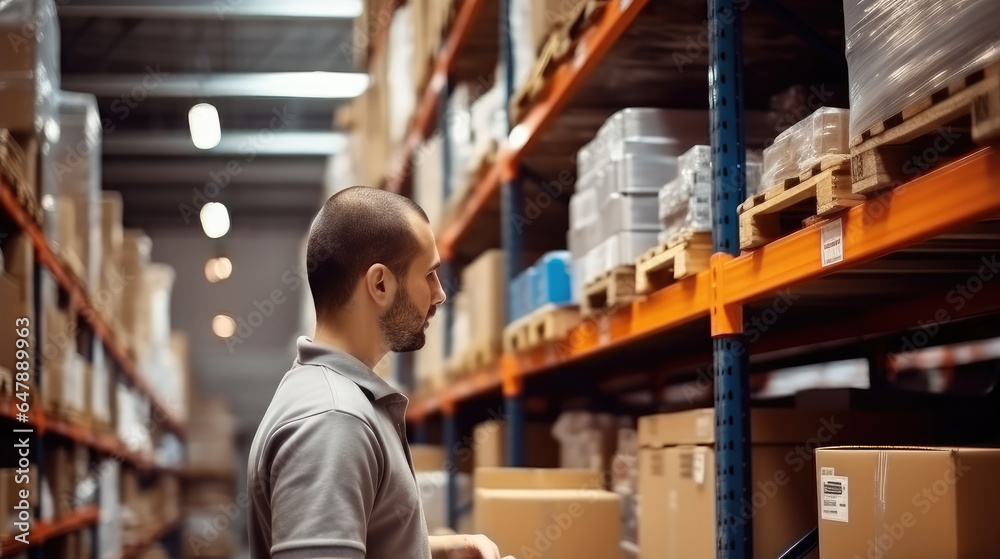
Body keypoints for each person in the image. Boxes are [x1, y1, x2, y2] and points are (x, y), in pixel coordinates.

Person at [247, 186, 513, 559]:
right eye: (430, 275)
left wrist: (435, 550)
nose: (440, 295)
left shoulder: (336, 398)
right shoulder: (334, 420)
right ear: (380, 284)